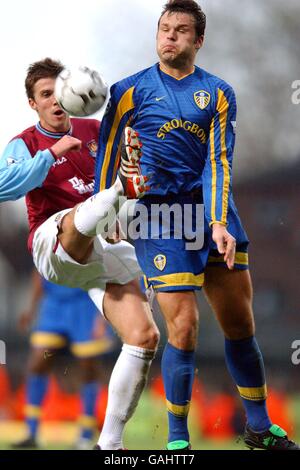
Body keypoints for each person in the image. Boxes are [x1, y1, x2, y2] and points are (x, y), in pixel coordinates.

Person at [94, 0, 299, 451]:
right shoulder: (128, 91)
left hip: (209, 215)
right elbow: (106, 155)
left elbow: (219, 162)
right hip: (159, 218)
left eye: (180, 30)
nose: (169, 36)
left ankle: (259, 427)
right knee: (183, 326)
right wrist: (104, 214)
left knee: (239, 324)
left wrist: (220, 222)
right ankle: (177, 441)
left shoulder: (219, 93)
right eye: (164, 28)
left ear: (198, 40)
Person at [0, 58, 160, 450]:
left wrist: (132, 164)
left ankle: (108, 444)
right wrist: (51, 153)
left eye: (60, 91)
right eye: (45, 95)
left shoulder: (97, 132)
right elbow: (4, 186)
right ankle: (33, 433)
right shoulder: (26, 143)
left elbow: (129, 170)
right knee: (79, 216)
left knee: (144, 335)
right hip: (52, 247)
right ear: (33, 103)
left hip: (97, 253)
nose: (56, 100)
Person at [13, 268, 115, 449]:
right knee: (39, 359)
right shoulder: (42, 240)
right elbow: (39, 271)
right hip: (54, 305)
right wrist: (31, 309)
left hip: (84, 304)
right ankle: (31, 431)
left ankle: (85, 434)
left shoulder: (93, 239)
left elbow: (107, 270)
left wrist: (103, 317)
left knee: (88, 369)